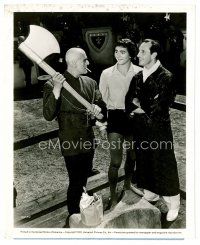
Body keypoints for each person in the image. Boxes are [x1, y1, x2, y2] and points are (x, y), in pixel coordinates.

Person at [43, 47, 107, 226]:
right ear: (73, 63)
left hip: (88, 141)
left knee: (83, 179)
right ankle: (73, 217)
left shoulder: (90, 82)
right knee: (75, 181)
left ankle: (84, 212)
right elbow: (48, 115)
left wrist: (99, 109)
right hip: (70, 142)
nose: (88, 63)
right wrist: (56, 88)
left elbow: (101, 105)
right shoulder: (52, 84)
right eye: (84, 60)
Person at [125, 39, 180, 222]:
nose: (138, 55)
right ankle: (151, 193)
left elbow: (159, 107)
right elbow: (128, 101)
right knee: (145, 161)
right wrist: (141, 104)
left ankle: (174, 203)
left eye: (142, 51)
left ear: (154, 54)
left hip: (159, 130)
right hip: (141, 129)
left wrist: (140, 104)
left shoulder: (167, 77)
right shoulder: (138, 76)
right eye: (139, 51)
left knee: (164, 163)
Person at [99, 39, 143, 209]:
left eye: (123, 52)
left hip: (134, 119)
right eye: (116, 51)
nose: (118, 55)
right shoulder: (106, 73)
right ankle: (112, 195)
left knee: (132, 156)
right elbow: (103, 99)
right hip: (115, 118)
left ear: (131, 54)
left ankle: (127, 185)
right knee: (115, 161)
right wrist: (103, 122)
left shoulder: (140, 72)